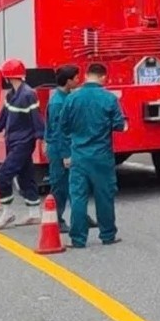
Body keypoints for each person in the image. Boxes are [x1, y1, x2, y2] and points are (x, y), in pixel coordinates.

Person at [62, 62, 128, 248]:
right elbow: (118, 125)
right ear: (103, 77)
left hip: (79, 155)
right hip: (102, 156)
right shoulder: (109, 98)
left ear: (86, 75)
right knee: (104, 196)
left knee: (78, 197)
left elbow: (63, 126)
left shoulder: (72, 98)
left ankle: (78, 238)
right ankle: (107, 235)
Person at [0, 58, 45, 230]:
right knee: (25, 176)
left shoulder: (28, 94)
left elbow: (37, 120)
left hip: (23, 143)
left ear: (7, 76)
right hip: (13, 141)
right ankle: (34, 214)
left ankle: (7, 212)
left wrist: (43, 141)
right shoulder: (11, 95)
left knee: (2, 176)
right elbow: (3, 117)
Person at [43, 65, 98, 234]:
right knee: (60, 185)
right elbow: (60, 131)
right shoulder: (58, 102)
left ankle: (80, 216)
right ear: (68, 81)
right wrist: (66, 155)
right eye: (75, 78)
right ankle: (57, 219)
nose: (78, 80)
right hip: (60, 150)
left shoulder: (64, 97)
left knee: (76, 184)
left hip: (66, 147)